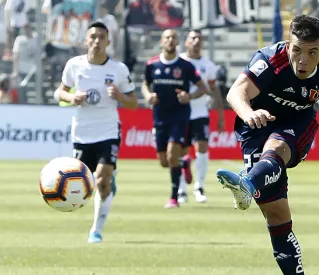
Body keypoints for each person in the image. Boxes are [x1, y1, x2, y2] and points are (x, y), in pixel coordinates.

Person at [215, 15, 319, 275]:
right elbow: (236, 92)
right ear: (288, 45)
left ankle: (247, 183)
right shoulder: (269, 59)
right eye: (297, 50)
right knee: (277, 216)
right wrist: (248, 114)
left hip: (298, 123)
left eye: (312, 52)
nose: (303, 59)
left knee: (276, 148)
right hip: (255, 124)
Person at [54, 22, 138, 243]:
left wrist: (120, 96)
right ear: (86, 40)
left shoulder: (119, 69)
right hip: (82, 133)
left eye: (102, 37)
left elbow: (133, 102)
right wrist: (72, 98)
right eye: (93, 36)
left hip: (108, 130)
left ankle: (96, 230)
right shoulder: (74, 65)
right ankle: (109, 183)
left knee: (102, 180)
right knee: (85, 184)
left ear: (108, 42)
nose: (97, 41)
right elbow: (59, 92)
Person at [141, 29, 208, 209]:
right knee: (165, 161)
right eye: (167, 38)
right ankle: (183, 163)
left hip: (180, 116)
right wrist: (148, 96)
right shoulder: (152, 64)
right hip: (159, 117)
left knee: (172, 154)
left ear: (177, 42)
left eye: (173, 38)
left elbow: (203, 88)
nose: (170, 40)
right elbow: (145, 84)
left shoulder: (185, 66)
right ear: (161, 42)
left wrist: (189, 96)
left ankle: (173, 198)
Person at [177, 29, 225, 204]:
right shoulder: (179, 61)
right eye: (192, 38)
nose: (196, 41)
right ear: (187, 42)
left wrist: (220, 115)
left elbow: (214, 90)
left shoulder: (208, 65)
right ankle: (181, 190)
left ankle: (199, 186)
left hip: (200, 113)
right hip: (180, 113)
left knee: (202, 148)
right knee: (181, 151)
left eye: (199, 38)